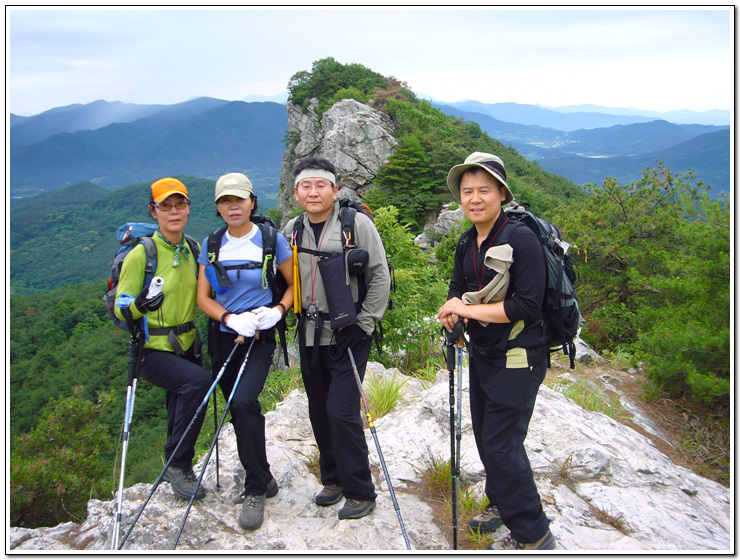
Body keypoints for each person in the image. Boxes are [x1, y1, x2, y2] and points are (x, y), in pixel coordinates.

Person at [436, 152, 556, 550]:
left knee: (503, 444)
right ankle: (503, 502)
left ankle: (533, 534)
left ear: (501, 193)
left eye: (483, 190)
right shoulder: (468, 240)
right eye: (467, 191)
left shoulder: (520, 238)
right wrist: (454, 312)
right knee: (489, 439)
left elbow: (527, 305)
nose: (474, 198)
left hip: (520, 356)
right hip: (485, 354)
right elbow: (457, 287)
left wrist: (465, 309)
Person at [283, 157, 390, 520]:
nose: (313, 192)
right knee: (318, 410)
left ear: (334, 189)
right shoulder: (293, 230)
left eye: (321, 185)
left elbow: (379, 276)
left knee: (341, 412)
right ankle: (333, 479)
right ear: (296, 192)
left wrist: (364, 325)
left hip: (349, 334)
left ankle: (361, 490)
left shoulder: (355, 224)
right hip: (310, 334)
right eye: (305, 186)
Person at [196, 172, 294, 531]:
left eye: (239, 199)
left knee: (242, 402)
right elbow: (202, 297)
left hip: (260, 336)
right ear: (219, 207)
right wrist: (227, 317)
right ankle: (263, 475)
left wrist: (277, 311)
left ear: (252, 201)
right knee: (239, 412)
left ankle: (255, 490)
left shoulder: (270, 240)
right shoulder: (212, 244)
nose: (233, 206)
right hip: (224, 337)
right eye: (225, 201)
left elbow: (293, 285)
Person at [114, 177, 212, 501]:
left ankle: (172, 462)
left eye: (179, 204)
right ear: (153, 210)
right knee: (198, 383)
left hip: (186, 344)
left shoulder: (192, 249)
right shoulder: (143, 254)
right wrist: (140, 305)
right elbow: (121, 304)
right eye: (165, 205)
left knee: (178, 403)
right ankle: (179, 464)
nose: (173, 211)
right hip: (151, 350)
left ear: (187, 208)